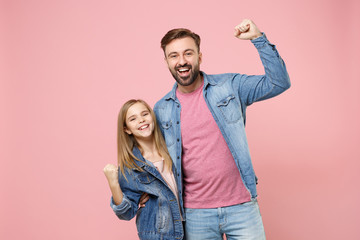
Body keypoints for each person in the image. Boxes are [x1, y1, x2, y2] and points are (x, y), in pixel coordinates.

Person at [152, 19, 291, 239]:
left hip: (242, 207)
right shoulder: (161, 109)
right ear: (167, 62)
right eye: (174, 56)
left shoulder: (230, 86)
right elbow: (151, 159)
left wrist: (258, 39)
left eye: (188, 53)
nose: (181, 61)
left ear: (199, 56)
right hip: (195, 214)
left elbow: (279, 83)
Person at [103, 99, 184, 240]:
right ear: (126, 129)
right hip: (159, 235)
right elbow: (126, 213)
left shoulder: (173, 149)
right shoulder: (131, 167)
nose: (141, 120)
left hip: (191, 227)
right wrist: (113, 183)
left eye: (144, 114)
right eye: (133, 119)